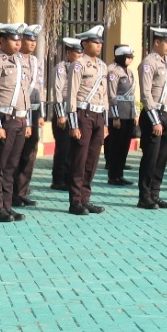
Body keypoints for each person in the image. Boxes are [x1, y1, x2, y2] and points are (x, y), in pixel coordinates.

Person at [0, 24, 31, 222]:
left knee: (12, 167)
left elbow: (25, 93)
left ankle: (7, 206)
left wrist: (27, 121)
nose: (18, 43)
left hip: (19, 119)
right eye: (14, 39)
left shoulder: (20, 61)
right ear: (2, 41)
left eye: (19, 39)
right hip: (4, 119)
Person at [65, 26, 109, 214]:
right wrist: (73, 124)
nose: (99, 45)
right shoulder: (78, 64)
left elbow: (105, 95)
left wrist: (105, 122)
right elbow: (72, 95)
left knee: (92, 160)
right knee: (79, 160)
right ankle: (75, 201)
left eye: (100, 42)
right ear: (85, 44)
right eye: (95, 42)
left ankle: (86, 198)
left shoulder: (102, 66)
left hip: (99, 116)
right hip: (84, 115)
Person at [137, 27, 167, 210]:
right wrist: (155, 120)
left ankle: (155, 193)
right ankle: (144, 196)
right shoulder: (148, 63)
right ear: (156, 42)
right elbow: (146, 93)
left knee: (163, 156)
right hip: (153, 114)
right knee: (151, 157)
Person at [13, 24, 43, 208]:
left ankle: (23, 191)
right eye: (29, 40)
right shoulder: (14, 60)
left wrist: (41, 113)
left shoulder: (35, 61)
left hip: (33, 109)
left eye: (34, 40)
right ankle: (12, 192)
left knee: (30, 153)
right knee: (17, 152)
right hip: (19, 110)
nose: (32, 43)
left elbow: (39, 87)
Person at [49, 37, 81, 191]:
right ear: (69, 53)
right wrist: (61, 114)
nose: (80, 56)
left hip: (76, 113)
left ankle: (70, 178)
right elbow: (58, 92)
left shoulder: (80, 67)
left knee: (74, 149)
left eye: (81, 53)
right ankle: (58, 179)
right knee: (64, 148)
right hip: (64, 114)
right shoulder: (61, 68)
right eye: (77, 53)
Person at [104, 45, 137, 186]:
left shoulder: (129, 72)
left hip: (128, 113)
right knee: (116, 146)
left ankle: (120, 174)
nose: (130, 60)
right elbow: (112, 95)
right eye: (128, 57)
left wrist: (135, 113)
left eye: (131, 57)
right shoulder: (113, 71)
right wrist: (116, 116)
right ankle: (113, 175)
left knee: (124, 146)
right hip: (117, 114)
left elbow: (132, 95)